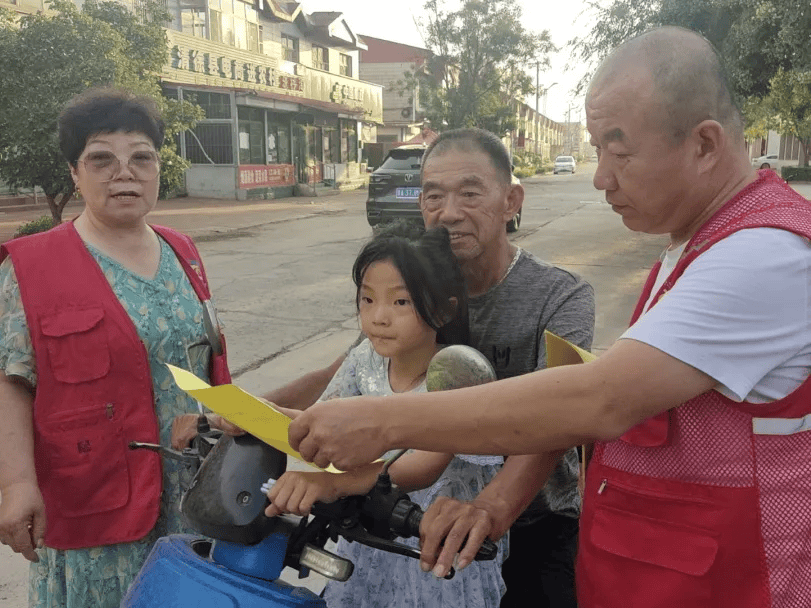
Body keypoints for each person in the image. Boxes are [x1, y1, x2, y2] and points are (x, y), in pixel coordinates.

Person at [284, 26, 811, 608]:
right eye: (597, 148)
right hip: (656, 571)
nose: (600, 175)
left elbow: (598, 399)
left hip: (733, 582)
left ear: (705, 145)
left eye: (619, 149)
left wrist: (384, 426)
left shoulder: (762, 254)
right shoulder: (696, 246)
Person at [264, 128, 595, 607]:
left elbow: (558, 420)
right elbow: (343, 371)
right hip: (405, 519)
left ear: (511, 200)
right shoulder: (410, 284)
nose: (450, 211)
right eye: (434, 195)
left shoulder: (561, 296)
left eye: (470, 193)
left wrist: (488, 510)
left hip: (529, 520)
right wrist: (243, 410)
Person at [0, 88, 233, 608]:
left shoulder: (183, 250)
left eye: (141, 158)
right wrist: (15, 485)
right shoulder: (31, 267)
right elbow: (10, 381)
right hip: (95, 495)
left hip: (194, 489)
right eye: (101, 158)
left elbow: (207, 363)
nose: (123, 173)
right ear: (74, 172)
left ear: (156, 169)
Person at [267, 220, 511, 607]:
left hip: (433, 545)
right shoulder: (364, 358)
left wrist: (337, 483)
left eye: (400, 302)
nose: (379, 316)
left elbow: (423, 465)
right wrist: (249, 414)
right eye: (368, 299)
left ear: (445, 311)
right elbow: (319, 419)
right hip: (371, 539)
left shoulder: (460, 373)